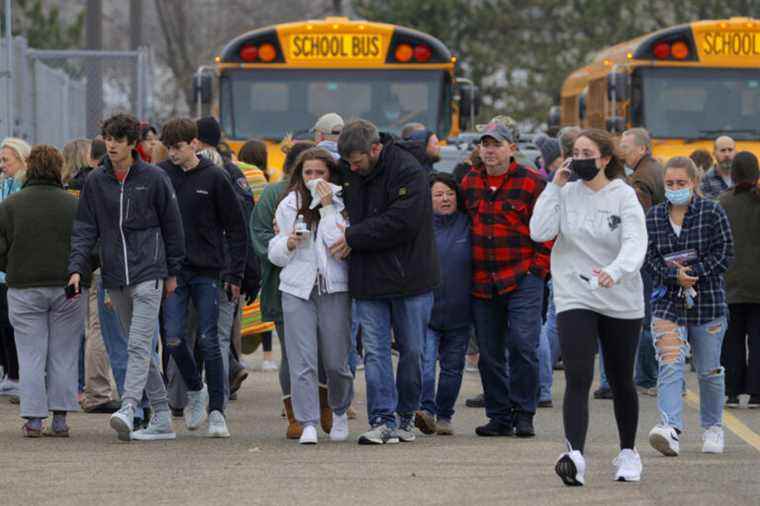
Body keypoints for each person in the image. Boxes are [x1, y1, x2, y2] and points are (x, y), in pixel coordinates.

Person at [530, 128, 648, 485]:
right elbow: (539, 231)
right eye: (575, 152)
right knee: (579, 375)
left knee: (620, 378)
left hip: (620, 297)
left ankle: (628, 452)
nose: (580, 158)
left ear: (605, 159)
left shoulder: (623, 196)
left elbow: (634, 242)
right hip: (575, 294)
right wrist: (554, 186)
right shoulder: (564, 193)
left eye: (587, 153)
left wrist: (615, 271)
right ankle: (574, 456)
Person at [67, 113, 186, 442]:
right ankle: (161, 415)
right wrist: (76, 267)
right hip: (114, 274)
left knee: (137, 343)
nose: (112, 145)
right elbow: (84, 229)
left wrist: (173, 272)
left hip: (150, 271)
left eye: (119, 140)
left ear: (132, 143)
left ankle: (130, 406)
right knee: (139, 350)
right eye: (109, 138)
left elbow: (173, 227)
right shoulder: (95, 181)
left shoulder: (154, 178)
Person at [335, 119, 439, 445]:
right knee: (376, 353)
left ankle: (407, 415)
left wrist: (354, 236)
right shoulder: (348, 170)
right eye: (349, 163)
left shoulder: (408, 170)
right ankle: (382, 418)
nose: (352, 168)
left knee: (412, 351)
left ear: (375, 149)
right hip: (368, 277)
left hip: (411, 277)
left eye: (358, 162)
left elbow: (402, 222)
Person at [460, 122, 549, 439]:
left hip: (523, 277)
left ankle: (524, 413)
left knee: (524, 346)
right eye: (485, 144)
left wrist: (538, 269)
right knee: (489, 351)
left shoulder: (532, 183)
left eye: (496, 144)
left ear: (512, 148)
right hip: (483, 280)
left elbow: (548, 229)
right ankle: (498, 415)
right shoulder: (469, 182)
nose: (490, 150)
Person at [159, 117, 247, 438]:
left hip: (208, 270)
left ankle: (217, 413)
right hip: (173, 272)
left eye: (178, 147)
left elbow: (237, 228)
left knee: (210, 340)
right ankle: (195, 389)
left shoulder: (215, 178)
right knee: (172, 337)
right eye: (168, 147)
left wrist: (235, 273)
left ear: (194, 144)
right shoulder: (161, 176)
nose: (172, 153)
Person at [645, 156, 734, 457]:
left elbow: (725, 253)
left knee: (709, 370)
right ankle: (670, 428)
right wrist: (674, 276)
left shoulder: (712, 212)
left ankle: (713, 427)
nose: (675, 188)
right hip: (668, 301)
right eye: (669, 184)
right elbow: (649, 258)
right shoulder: (655, 216)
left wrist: (694, 274)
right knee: (669, 363)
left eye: (681, 183)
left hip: (707, 300)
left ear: (693, 183)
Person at [0, 145, 91, 437]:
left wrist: (14, 264)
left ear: (29, 167)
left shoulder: (10, 205)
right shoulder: (75, 204)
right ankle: (61, 417)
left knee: (30, 354)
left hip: (24, 286)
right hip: (69, 287)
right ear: (58, 168)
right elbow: (91, 245)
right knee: (64, 352)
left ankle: (35, 419)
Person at [268, 147, 353, 444]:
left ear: (331, 174)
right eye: (308, 173)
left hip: (334, 287)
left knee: (336, 360)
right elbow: (275, 254)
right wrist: (288, 243)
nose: (314, 178)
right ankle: (307, 422)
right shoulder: (289, 204)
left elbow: (336, 244)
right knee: (301, 359)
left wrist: (328, 207)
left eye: (320, 173)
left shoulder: (342, 202)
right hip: (296, 288)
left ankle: (340, 410)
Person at [252, 140, 324, 439]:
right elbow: (259, 236)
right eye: (308, 171)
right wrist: (284, 248)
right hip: (285, 286)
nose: (313, 177)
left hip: (324, 284)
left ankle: (324, 405)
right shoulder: (274, 194)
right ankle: (295, 412)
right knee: (294, 352)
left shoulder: (331, 195)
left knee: (325, 350)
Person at [195, 116, 259, 406]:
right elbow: (245, 226)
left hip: (207, 267)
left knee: (201, 331)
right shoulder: (235, 173)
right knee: (222, 334)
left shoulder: (199, 172)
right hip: (230, 268)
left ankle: (212, 390)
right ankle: (224, 386)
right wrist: (248, 273)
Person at [62, 138, 119, 414]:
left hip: (72, 265)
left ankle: (72, 387)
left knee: (75, 330)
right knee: (98, 329)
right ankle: (97, 391)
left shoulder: (64, 188)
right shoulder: (98, 184)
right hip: (97, 263)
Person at [416, 172, 471, 436]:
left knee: (452, 368)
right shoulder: (420, 226)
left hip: (460, 313)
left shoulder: (467, 223)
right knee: (425, 366)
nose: (445, 199)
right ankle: (425, 411)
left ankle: (445, 415)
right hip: (427, 312)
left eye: (449, 193)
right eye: (438, 194)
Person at [620, 128, 666, 397]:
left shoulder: (641, 178)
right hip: (659, 253)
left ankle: (648, 378)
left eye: (627, 147)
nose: (622, 151)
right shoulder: (654, 169)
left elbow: (640, 221)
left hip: (648, 256)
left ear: (642, 149)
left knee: (647, 318)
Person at [719, 152, 760, 408]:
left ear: (733, 173)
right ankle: (757, 393)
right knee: (758, 340)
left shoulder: (722, 202)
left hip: (729, 282)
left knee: (731, 340)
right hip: (759, 286)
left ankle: (732, 391)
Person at [0, 137, 30, 403]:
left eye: (6, 160)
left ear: (21, 161)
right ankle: (11, 373)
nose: (2, 166)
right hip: (2, 269)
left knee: (14, 324)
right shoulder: (5, 185)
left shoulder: (23, 189)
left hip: (16, 268)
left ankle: (19, 375)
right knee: (3, 323)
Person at [700, 136, 736, 200]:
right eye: (723, 150)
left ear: (735, 152)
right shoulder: (705, 179)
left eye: (730, 150)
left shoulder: (744, 177)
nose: (727, 154)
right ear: (714, 153)